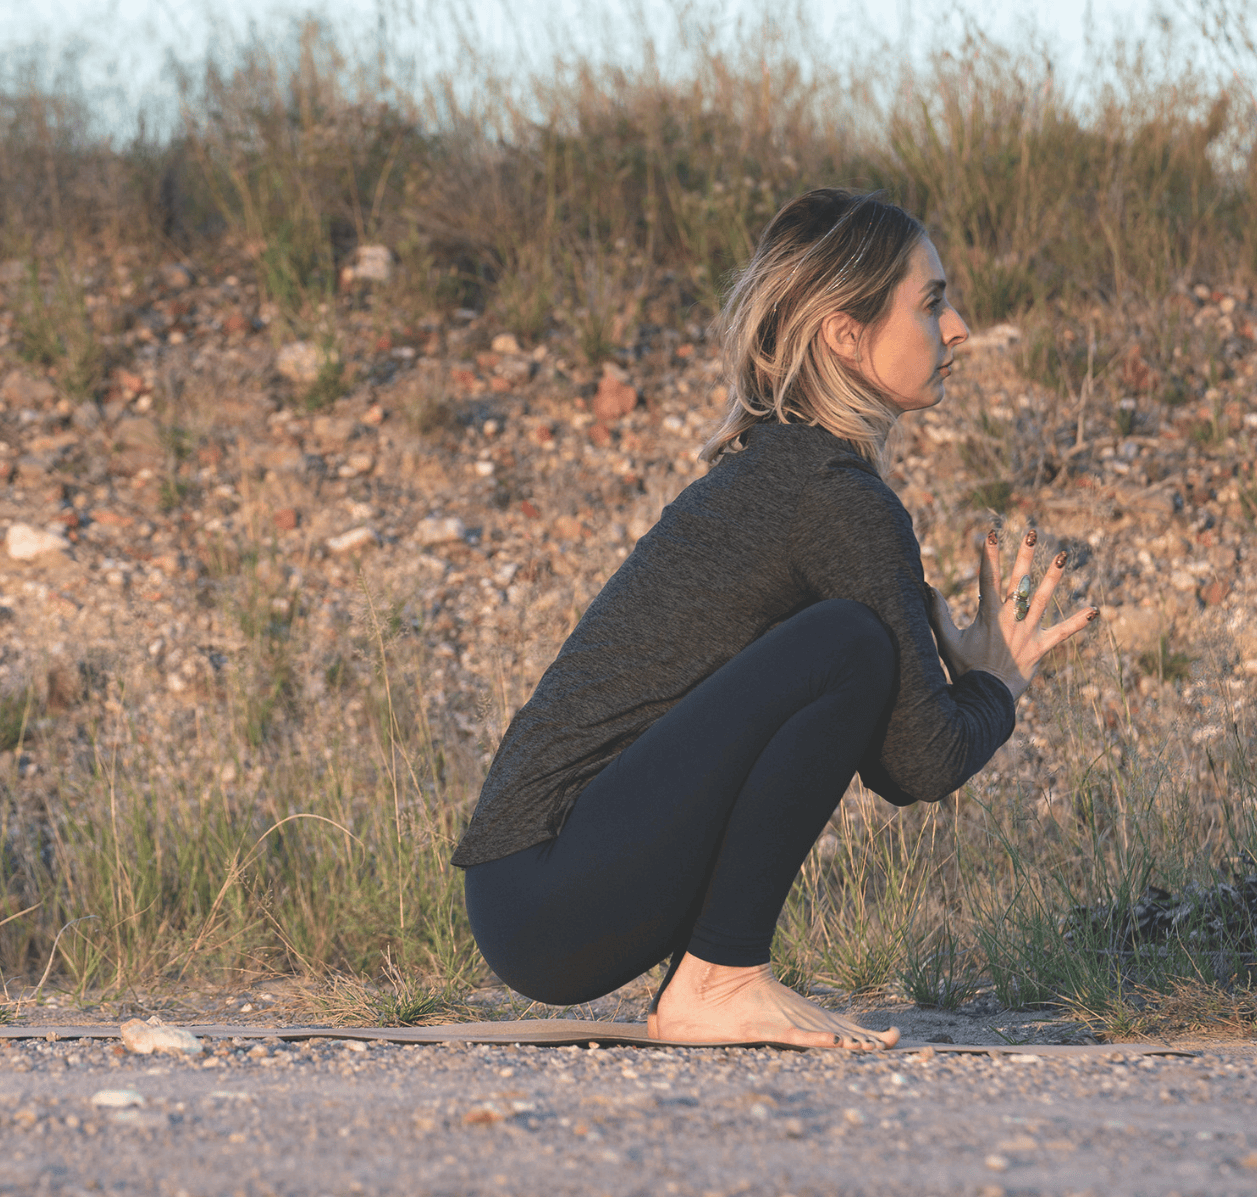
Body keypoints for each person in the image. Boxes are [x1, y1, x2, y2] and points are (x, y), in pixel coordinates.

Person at [452, 188, 1099, 1050]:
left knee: (847, 647)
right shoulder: (833, 500)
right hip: (548, 895)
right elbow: (923, 760)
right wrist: (994, 682)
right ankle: (719, 981)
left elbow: (890, 758)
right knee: (849, 643)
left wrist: (969, 686)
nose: (958, 330)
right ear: (844, 332)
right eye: (932, 302)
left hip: (536, 896)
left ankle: (710, 979)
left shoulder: (790, 474)